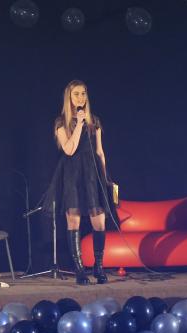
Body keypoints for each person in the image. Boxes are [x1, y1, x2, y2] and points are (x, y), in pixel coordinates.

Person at [42, 80, 111, 285]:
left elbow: (100, 151)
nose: (80, 98)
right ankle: (80, 270)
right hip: (72, 175)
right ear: (69, 98)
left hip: (92, 174)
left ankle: (99, 266)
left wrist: (105, 178)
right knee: (74, 220)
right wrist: (79, 124)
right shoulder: (61, 122)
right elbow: (69, 149)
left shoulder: (94, 121)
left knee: (99, 221)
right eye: (76, 94)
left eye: (83, 94)